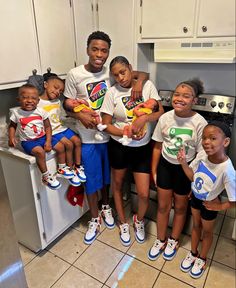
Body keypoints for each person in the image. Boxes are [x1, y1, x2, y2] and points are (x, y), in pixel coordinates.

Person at [64, 31, 149, 245]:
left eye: (104, 50)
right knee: (92, 180)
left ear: (108, 52)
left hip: (109, 137)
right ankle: (94, 218)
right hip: (88, 137)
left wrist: (139, 84)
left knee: (106, 179)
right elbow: (66, 103)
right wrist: (79, 114)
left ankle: (105, 207)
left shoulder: (112, 73)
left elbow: (140, 74)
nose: (99, 54)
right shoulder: (75, 74)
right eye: (95, 49)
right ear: (87, 50)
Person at [100, 56, 164, 246]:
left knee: (144, 194)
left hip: (142, 149)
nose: (120, 77)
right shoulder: (112, 93)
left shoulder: (146, 86)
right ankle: (123, 222)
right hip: (119, 146)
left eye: (123, 72)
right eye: (116, 75)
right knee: (117, 186)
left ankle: (138, 219)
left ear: (130, 68)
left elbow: (159, 112)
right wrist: (125, 132)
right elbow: (106, 124)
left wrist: (143, 120)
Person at [148, 78, 208, 261]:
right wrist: (154, 171)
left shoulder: (199, 122)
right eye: (177, 94)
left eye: (186, 96)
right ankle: (160, 239)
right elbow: (158, 146)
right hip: (166, 166)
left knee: (181, 208)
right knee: (163, 206)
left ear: (194, 100)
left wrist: (194, 181)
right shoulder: (165, 117)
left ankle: (173, 239)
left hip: (186, 169)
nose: (180, 98)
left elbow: (201, 156)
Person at [177, 121, 235, 279]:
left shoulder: (227, 170)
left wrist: (219, 206)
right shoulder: (202, 155)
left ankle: (202, 258)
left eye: (213, 138)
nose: (206, 142)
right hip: (195, 199)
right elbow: (193, 176)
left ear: (226, 142)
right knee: (196, 226)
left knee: (207, 231)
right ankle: (193, 253)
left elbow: (234, 200)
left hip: (210, 205)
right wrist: (183, 163)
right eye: (204, 138)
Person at [8, 84, 61, 190]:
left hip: (42, 137)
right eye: (25, 97)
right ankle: (46, 177)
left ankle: (62, 168)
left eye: (33, 98)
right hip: (28, 142)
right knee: (40, 152)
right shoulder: (16, 113)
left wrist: (48, 141)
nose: (29, 100)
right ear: (19, 99)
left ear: (38, 100)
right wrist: (11, 138)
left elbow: (48, 127)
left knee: (60, 146)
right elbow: (12, 126)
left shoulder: (41, 111)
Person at [38, 76, 86, 186]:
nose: (57, 92)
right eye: (55, 87)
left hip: (61, 128)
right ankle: (66, 169)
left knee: (77, 141)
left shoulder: (57, 102)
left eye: (60, 91)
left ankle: (77, 167)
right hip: (52, 132)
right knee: (68, 145)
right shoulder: (37, 103)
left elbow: (60, 116)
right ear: (45, 85)